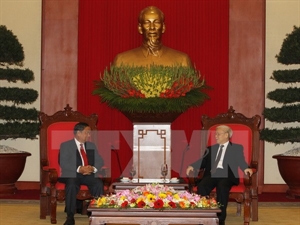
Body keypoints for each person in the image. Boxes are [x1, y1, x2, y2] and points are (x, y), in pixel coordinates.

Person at [186, 125, 253, 225]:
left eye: (218, 134)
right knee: (202, 185)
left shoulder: (236, 148)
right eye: (215, 134)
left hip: (227, 176)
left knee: (222, 187)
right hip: (212, 175)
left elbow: (241, 160)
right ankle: (204, 214)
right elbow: (203, 161)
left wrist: (246, 168)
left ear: (226, 135)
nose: (216, 136)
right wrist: (192, 165)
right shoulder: (211, 149)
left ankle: (220, 219)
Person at [113, 6, 192, 67]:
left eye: (156, 22)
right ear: (140, 28)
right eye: (147, 23)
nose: (152, 27)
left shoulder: (182, 60)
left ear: (163, 27)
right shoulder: (121, 61)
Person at [58, 122, 104, 225]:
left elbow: (100, 160)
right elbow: (63, 162)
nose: (89, 135)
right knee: (71, 184)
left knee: (98, 184)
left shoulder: (91, 145)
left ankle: (96, 214)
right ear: (78, 133)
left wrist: (93, 168)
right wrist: (79, 169)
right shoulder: (66, 145)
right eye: (87, 133)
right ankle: (70, 216)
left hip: (88, 174)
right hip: (72, 174)